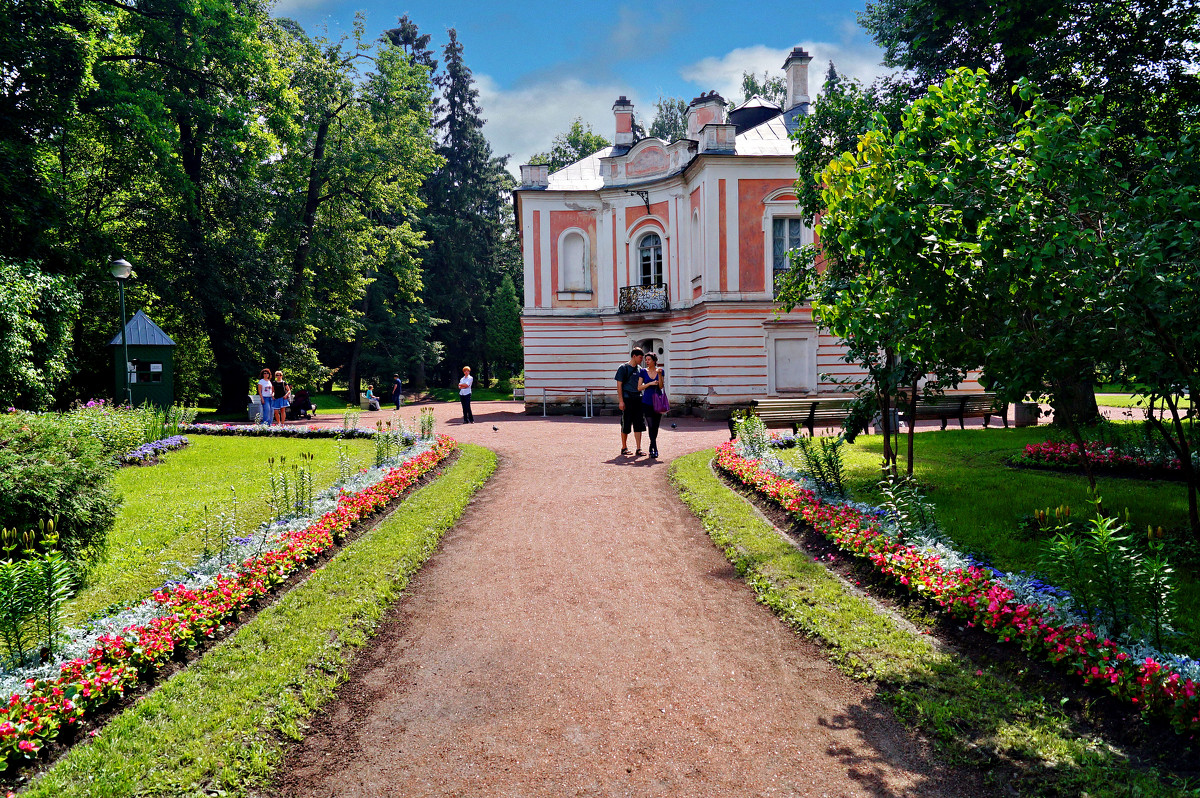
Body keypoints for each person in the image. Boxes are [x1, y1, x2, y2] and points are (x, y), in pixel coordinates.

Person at [614, 347, 645, 456]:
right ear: (634, 356)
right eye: (640, 357)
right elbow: (619, 385)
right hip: (627, 398)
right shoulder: (623, 368)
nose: (641, 360)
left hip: (638, 399)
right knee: (625, 423)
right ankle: (624, 447)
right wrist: (621, 401)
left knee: (639, 423)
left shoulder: (640, 369)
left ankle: (638, 448)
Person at [638, 353, 665, 458]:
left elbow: (661, 386)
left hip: (658, 401)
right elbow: (639, 387)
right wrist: (649, 384)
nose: (647, 361)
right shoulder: (643, 371)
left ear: (654, 360)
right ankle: (655, 448)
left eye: (649, 359)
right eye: (646, 360)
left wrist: (659, 375)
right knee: (650, 425)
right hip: (647, 401)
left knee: (656, 425)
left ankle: (651, 445)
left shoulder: (660, 371)